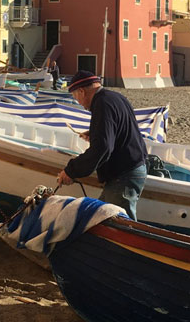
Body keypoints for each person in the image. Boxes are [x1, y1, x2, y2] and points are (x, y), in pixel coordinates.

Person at [57, 71, 147, 220]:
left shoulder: (102, 104)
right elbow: (118, 131)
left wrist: (71, 171)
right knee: (101, 218)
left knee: (120, 226)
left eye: (75, 97)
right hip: (131, 168)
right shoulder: (115, 97)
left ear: (82, 91)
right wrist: (95, 134)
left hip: (124, 174)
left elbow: (103, 148)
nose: (78, 102)